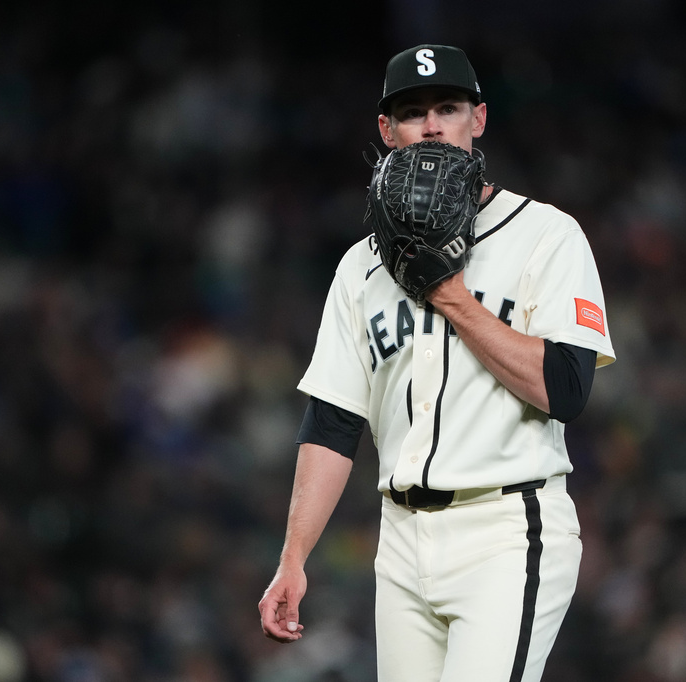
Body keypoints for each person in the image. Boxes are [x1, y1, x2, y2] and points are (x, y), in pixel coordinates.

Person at [259, 44, 616, 681]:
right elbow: (333, 422)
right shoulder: (359, 266)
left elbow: (565, 388)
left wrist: (449, 295)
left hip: (507, 527)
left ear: (477, 119)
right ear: (385, 131)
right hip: (399, 542)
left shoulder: (547, 235)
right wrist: (294, 557)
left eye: (446, 108)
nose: (430, 126)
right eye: (412, 112)